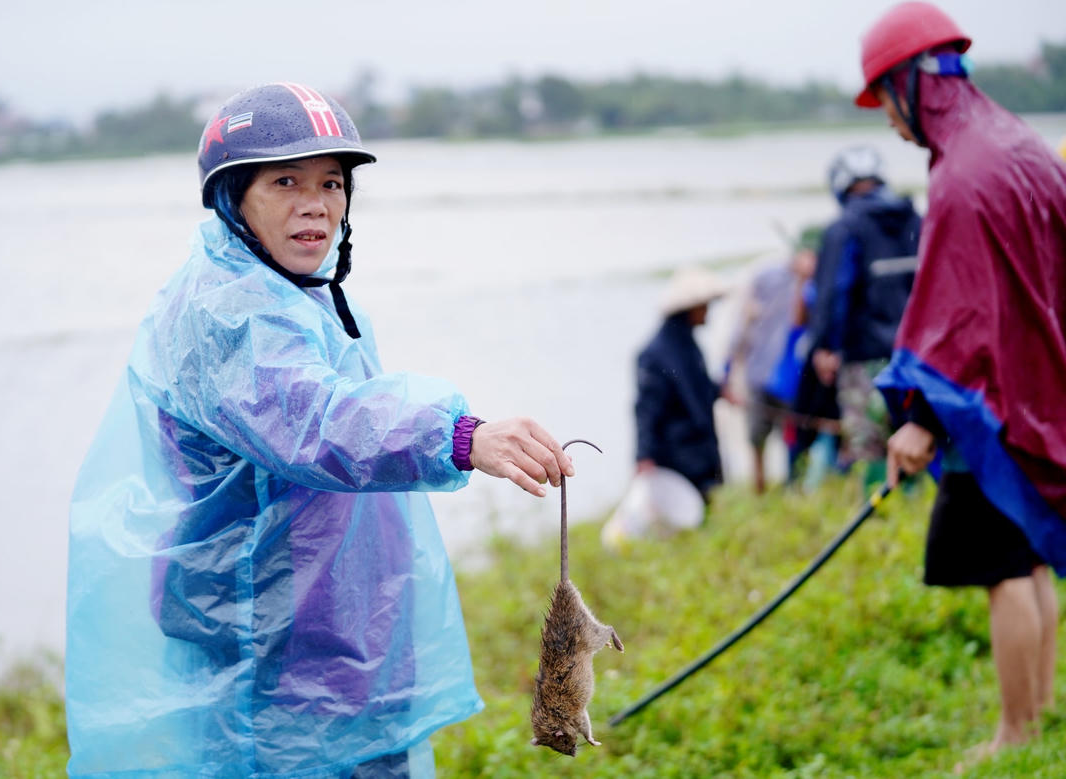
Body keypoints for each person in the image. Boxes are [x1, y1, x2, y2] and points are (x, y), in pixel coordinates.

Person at [64, 83, 576, 778]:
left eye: (331, 182)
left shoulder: (300, 293)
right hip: (266, 634)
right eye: (286, 181)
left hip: (337, 624)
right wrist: (456, 436)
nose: (318, 203)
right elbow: (316, 419)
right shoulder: (225, 308)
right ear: (232, 197)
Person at [854, 2, 1066, 761]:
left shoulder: (962, 176)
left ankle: (1015, 733)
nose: (890, 124)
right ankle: (1036, 718)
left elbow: (958, 316)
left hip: (989, 407)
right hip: (1037, 391)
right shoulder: (1023, 145)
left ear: (912, 85)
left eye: (885, 101)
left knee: (1002, 569)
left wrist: (917, 417)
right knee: (1031, 555)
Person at [806, 144, 922, 486]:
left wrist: (825, 345)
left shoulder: (844, 228)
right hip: (916, 357)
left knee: (867, 445)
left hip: (864, 358)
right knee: (913, 435)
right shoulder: (916, 220)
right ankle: (914, 512)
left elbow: (832, 292)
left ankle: (879, 519)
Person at [726, 232, 818, 492]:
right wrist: (728, 371)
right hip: (759, 373)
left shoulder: (812, 286)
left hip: (791, 379)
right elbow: (741, 326)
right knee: (756, 437)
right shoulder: (765, 277)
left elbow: (801, 321)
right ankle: (759, 489)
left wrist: (803, 281)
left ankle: (793, 488)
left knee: (792, 437)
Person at [634, 267, 731, 503]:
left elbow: (698, 387)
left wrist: (720, 391)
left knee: (705, 505)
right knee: (686, 509)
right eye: (704, 306)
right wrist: (644, 455)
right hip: (678, 453)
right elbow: (646, 409)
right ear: (690, 308)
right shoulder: (656, 353)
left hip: (698, 448)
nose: (707, 312)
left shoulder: (686, 342)